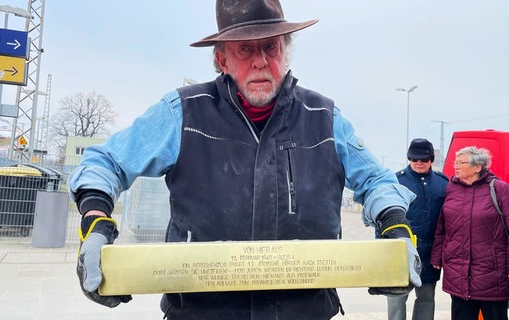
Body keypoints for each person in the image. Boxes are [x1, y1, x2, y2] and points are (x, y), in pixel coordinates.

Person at [69, 0, 421, 319]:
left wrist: (395, 228)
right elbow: (106, 162)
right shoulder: (183, 114)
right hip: (202, 314)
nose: (260, 60)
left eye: (271, 47)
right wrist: (95, 221)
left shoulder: (324, 118)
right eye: (244, 49)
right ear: (221, 59)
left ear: (286, 52)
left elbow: (377, 181)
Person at [430, 146, 509, 320]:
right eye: (456, 162)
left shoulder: (499, 188)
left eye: (462, 162)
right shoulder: (452, 189)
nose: (456, 166)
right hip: (458, 273)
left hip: (493, 274)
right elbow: (442, 228)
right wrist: (437, 257)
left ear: (477, 167)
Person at [387, 139, 448, 320]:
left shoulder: (443, 183)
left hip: (429, 254)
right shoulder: (395, 182)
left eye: (423, 159)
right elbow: (382, 218)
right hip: (400, 253)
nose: (419, 163)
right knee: (397, 300)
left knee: (427, 299)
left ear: (431, 159)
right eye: (414, 159)